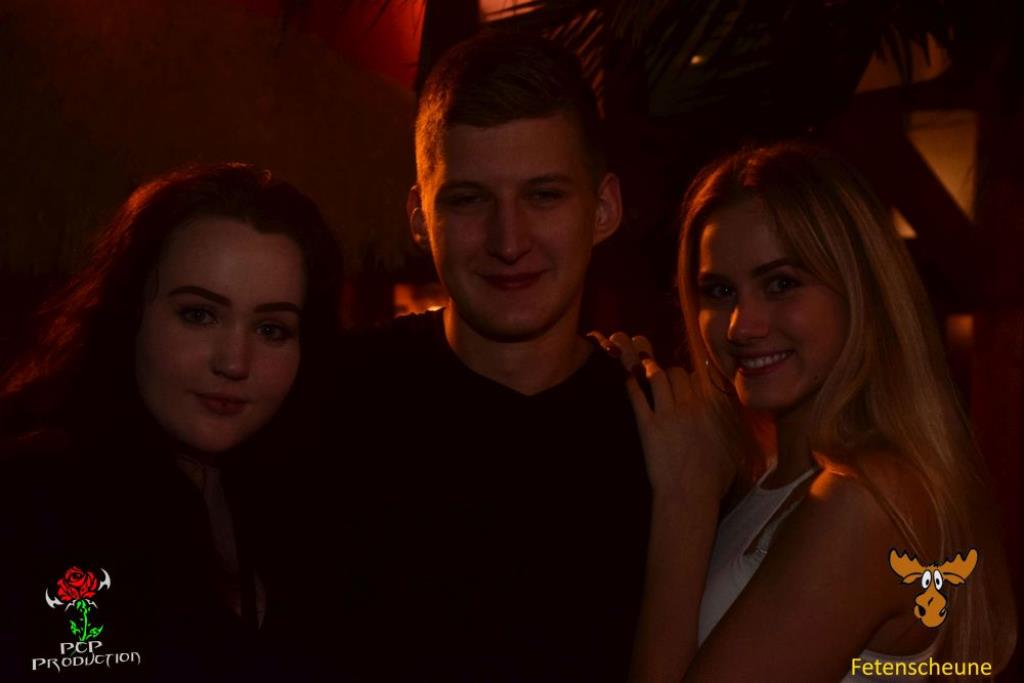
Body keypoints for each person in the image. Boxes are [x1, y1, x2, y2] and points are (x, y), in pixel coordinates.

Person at [282, 31, 651, 681]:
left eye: (543, 195)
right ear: (420, 217)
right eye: (469, 199)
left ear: (604, 209)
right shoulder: (327, 396)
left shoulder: (663, 430)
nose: (509, 241)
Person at [597, 142, 1016, 682]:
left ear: (860, 290)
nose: (741, 326)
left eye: (781, 284)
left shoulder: (864, 500)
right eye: (719, 291)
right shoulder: (773, 481)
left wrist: (685, 499)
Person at [0, 163, 343, 682]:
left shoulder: (311, 500)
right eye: (199, 315)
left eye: (272, 329)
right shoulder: (36, 500)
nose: (234, 362)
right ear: (130, 312)